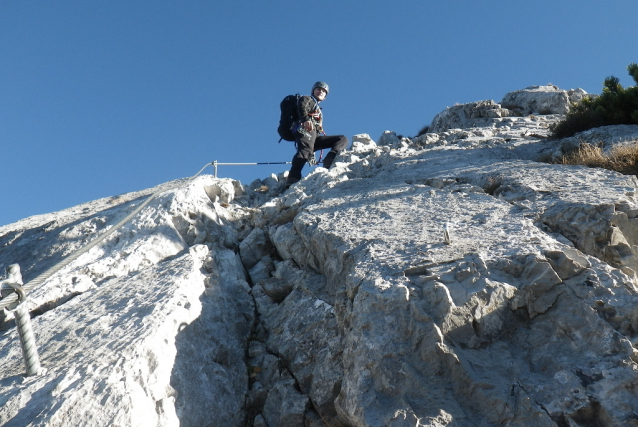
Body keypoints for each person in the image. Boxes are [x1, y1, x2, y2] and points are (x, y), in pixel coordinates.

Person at [286, 81, 348, 186]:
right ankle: (293, 178)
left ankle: (330, 158)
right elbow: (302, 107)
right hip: (304, 129)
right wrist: (306, 120)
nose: (321, 92)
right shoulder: (307, 99)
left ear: (325, 97)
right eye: (318, 89)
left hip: (314, 135)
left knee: (342, 139)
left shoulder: (317, 108)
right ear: (313, 91)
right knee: (305, 150)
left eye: (324, 91)